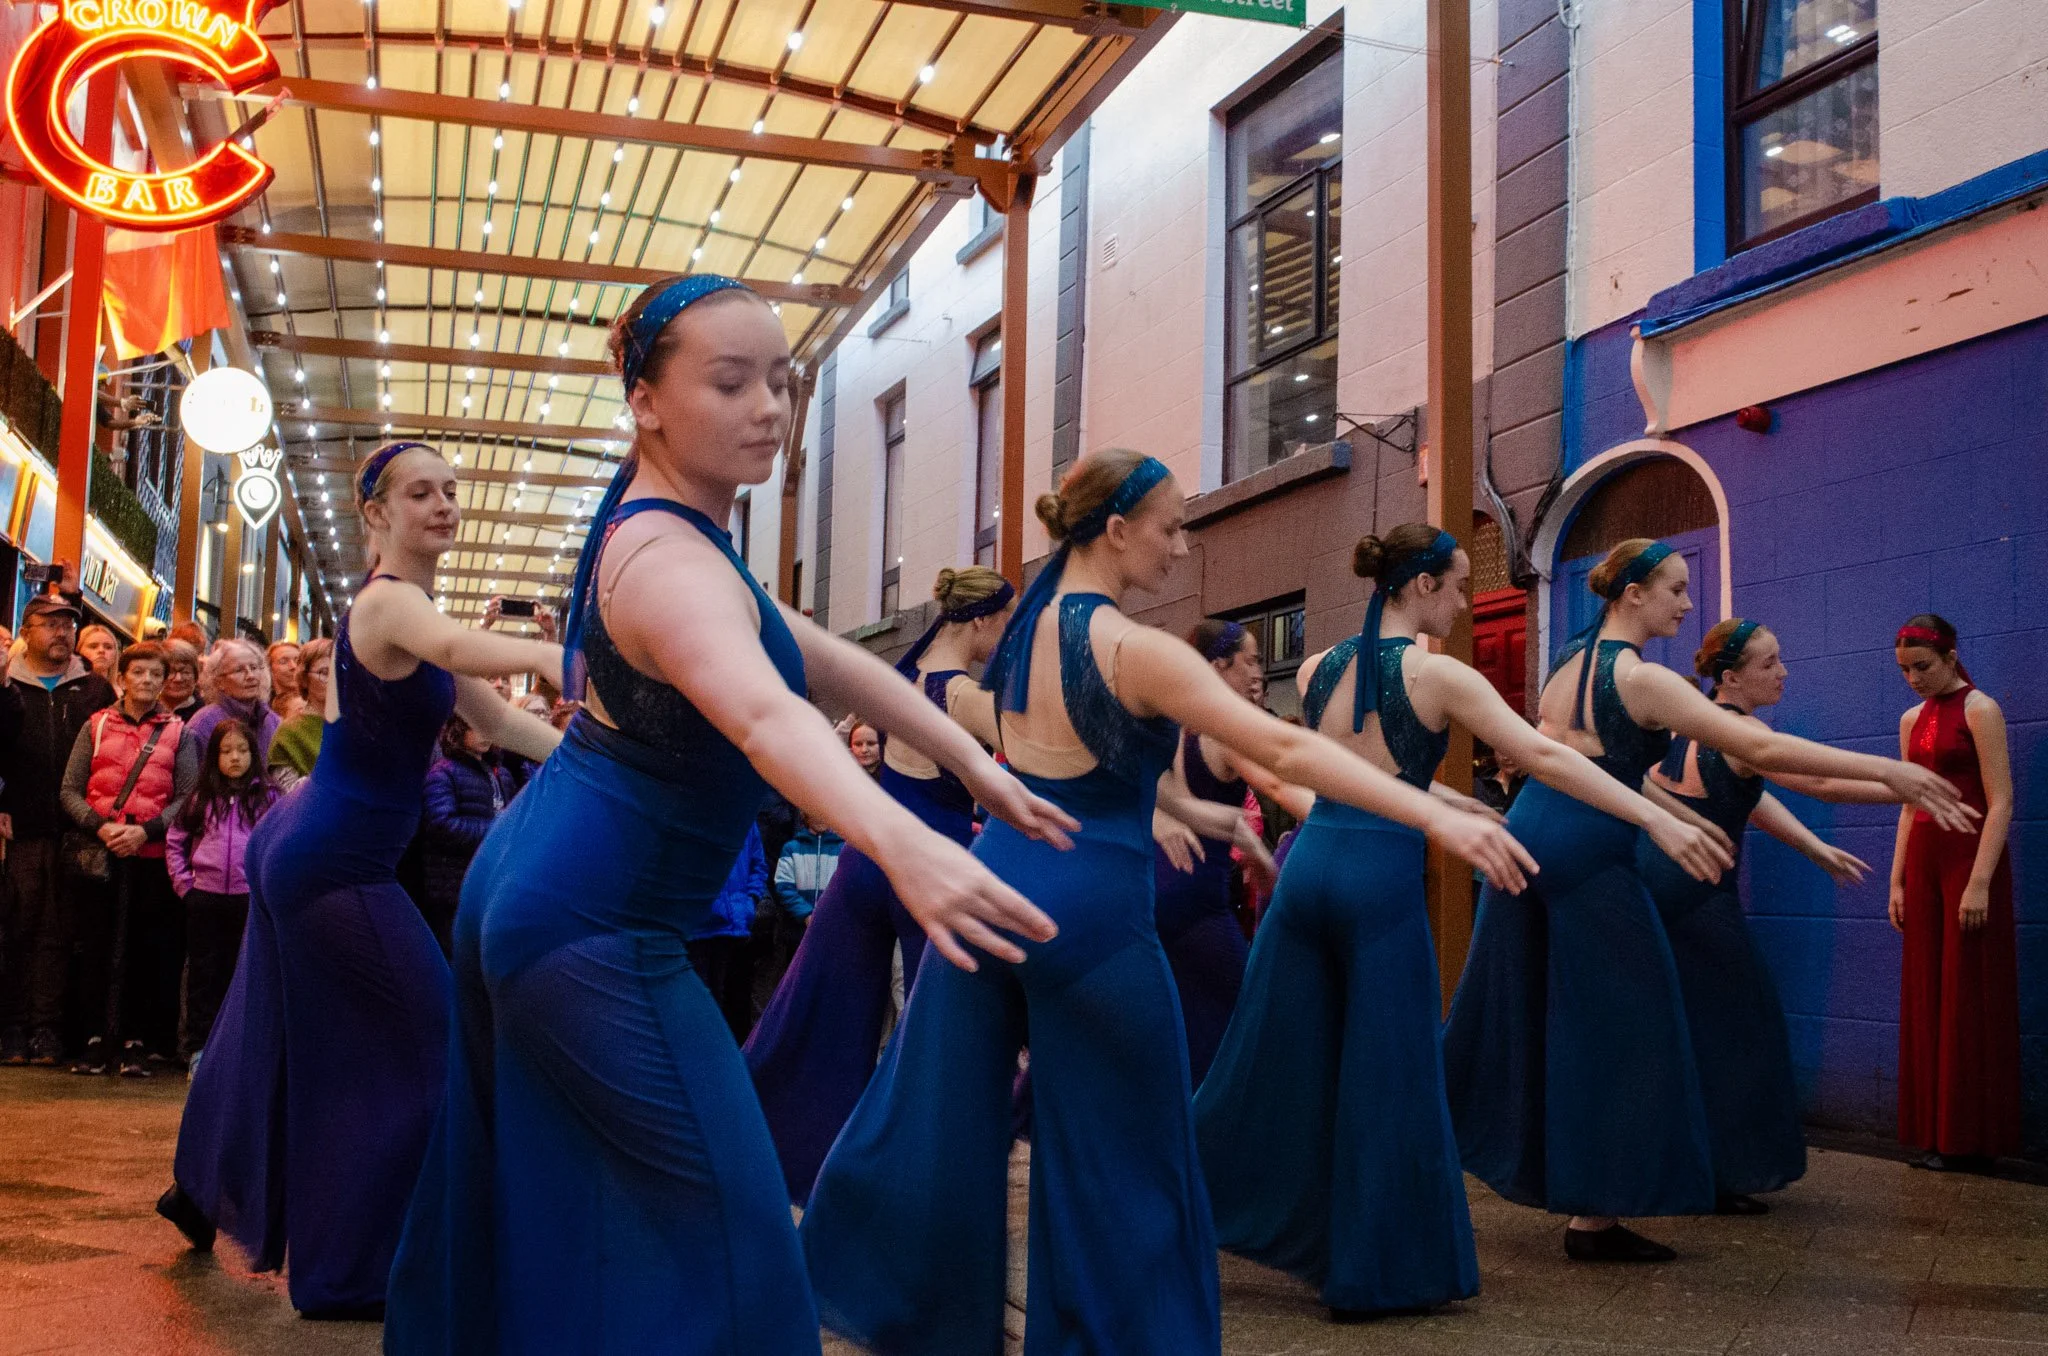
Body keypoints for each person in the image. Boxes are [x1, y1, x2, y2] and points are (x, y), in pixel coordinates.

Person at [384, 274, 1072, 1356]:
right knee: (736, 1234)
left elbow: (823, 659)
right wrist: (898, 838)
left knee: (614, 1216)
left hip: (557, 886)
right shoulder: (665, 561)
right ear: (646, 401)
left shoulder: (682, 535)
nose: (769, 409)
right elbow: (765, 714)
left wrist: (972, 764)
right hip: (589, 922)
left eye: (782, 382)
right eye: (731, 382)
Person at [801, 452, 1535, 1356]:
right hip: (1091, 915)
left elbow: (1059, 757)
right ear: (1116, 530)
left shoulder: (1025, 629)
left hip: (998, 886)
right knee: (1132, 1163)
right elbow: (1283, 750)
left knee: (939, 1129)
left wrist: (1179, 808)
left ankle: (909, 1302)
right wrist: (1429, 812)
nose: (1183, 547)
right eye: (1171, 527)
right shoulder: (1133, 648)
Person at [1196, 524, 1727, 1320]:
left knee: (1273, 1063)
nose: (1463, 603)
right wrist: (1656, 818)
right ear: (1420, 586)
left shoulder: (1315, 667)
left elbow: (1353, 769)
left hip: (1310, 871)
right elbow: (1547, 759)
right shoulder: (1440, 675)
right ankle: (1378, 1271)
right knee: (1391, 1075)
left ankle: (1173, 1195)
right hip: (1377, 883)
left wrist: (1451, 802)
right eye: (1455, 586)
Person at [1442, 538, 1973, 1264]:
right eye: (1675, 589)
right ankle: (1593, 1218)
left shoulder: (1570, 657)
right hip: (1589, 855)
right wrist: (1892, 771)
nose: (1687, 605)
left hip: (1534, 837)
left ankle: (1526, 1175)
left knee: (1537, 1018)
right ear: (1634, 594)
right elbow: (1768, 752)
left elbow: (1593, 766)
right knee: (1632, 1034)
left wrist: (1675, 816)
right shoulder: (1642, 679)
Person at [160, 440, 563, 1318]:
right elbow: (458, 647)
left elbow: (494, 720)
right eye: (422, 493)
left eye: (451, 490)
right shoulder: (389, 604)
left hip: (314, 842)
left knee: (268, 1032)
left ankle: (202, 1189)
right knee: (427, 1043)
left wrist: (588, 759)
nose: (445, 504)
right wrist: (552, 655)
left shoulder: (411, 609)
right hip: (332, 858)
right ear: (376, 514)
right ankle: (352, 1271)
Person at [746, 564, 1017, 1204]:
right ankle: (912, 1178)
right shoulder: (962, 694)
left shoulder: (903, 674)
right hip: (928, 865)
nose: (1008, 635)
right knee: (939, 1036)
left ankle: (762, 1141)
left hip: (867, 860)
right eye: (1007, 621)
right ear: (982, 620)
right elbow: (1035, 762)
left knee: (816, 1013)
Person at [1638, 618, 1895, 1213]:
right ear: (1731, 678)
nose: (1783, 673)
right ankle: (1720, 1174)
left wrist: (1812, 846)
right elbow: (1823, 782)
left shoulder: (1690, 723)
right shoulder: (1742, 732)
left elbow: (1745, 796)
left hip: (1657, 884)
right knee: (1737, 1035)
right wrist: (1907, 787)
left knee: (1687, 1032)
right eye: (1768, 663)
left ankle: (1686, 1166)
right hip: (1697, 894)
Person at [1151, 618, 1308, 1086]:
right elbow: (1279, 783)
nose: (1259, 672)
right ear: (1220, 665)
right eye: (1251, 660)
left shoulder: (1176, 725)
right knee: (1251, 1025)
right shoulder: (1222, 730)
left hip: (1160, 889)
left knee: (1194, 1027)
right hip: (1197, 898)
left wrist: (1249, 843)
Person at [1889, 614, 2017, 1171]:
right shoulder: (1910, 718)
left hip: (1968, 859)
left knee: (1968, 992)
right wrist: (1896, 879)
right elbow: (1909, 802)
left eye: (1922, 667)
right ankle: (1933, 1133)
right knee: (1926, 991)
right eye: (1904, 670)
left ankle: (1970, 1138)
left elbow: (2001, 799)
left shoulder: (1980, 709)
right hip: (1924, 859)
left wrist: (1980, 881)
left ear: (1951, 657)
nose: (1913, 679)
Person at [60, 641, 192, 1076]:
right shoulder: (96, 725)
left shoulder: (179, 733)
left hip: (151, 855)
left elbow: (187, 797)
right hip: (100, 853)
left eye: (156, 674)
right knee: (95, 945)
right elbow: (70, 790)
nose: (147, 680)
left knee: (145, 947)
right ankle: (96, 1037)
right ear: (122, 678)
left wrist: (145, 831)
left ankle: (135, 1039)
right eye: (139, 672)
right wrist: (101, 827)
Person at [0, 592, 116, 1067]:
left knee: (58, 931)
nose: (62, 633)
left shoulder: (94, 690)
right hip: (19, 828)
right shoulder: (7, 686)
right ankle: (10, 1026)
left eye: (67, 625)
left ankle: (46, 1029)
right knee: (14, 927)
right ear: (26, 631)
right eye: (50, 624)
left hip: (74, 829)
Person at [167, 720, 277, 1067]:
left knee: (244, 972)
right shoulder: (200, 798)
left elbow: (277, 843)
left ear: (254, 753)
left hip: (249, 899)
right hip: (206, 897)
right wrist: (185, 885)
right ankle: (199, 1049)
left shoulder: (268, 798)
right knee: (204, 974)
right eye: (226, 751)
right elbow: (175, 841)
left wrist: (264, 886)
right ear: (214, 756)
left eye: (242, 750)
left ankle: (243, 1049)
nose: (235, 758)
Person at [417, 713, 517, 956]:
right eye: (476, 726)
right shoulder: (443, 773)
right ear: (458, 730)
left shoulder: (501, 773)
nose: (484, 734)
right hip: (453, 887)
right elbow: (441, 825)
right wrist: (496, 830)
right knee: (456, 956)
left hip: (491, 883)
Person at [691, 824, 768, 1040]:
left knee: (732, 998)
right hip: (697, 927)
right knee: (702, 1000)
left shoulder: (747, 821)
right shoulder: (691, 815)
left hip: (735, 926)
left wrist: (750, 902)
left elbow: (758, 864)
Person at [184, 639, 282, 767]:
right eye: (239, 670)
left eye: (254, 668)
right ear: (219, 682)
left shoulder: (272, 720)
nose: (250, 676)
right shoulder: (204, 724)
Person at [266, 637, 332, 793]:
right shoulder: (289, 732)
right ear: (304, 679)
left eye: (339, 671)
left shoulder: (357, 723)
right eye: (324, 672)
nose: (333, 679)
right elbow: (288, 793)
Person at [771, 809, 843, 933]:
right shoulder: (791, 848)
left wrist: (831, 914)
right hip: (796, 927)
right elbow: (784, 886)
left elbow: (847, 887)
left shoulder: (842, 850)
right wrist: (806, 914)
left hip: (833, 925)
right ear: (805, 815)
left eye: (824, 813)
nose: (820, 818)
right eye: (815, 812)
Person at [162, 640, 203, 722]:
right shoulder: (145, 707)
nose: (178, 679)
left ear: (195, 677)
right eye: (171, 672)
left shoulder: (203, 715)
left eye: (185, 672)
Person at [266, 641, 303, 720]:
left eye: (298, 661)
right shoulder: (262, 707)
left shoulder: (317, 703)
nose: (293, 666)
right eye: (283, 662)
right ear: (270, 668)